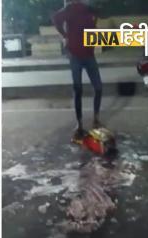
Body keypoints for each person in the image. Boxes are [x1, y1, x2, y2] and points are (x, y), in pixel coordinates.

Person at [53, 0, 103, 139]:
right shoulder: (72, 8)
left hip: (89, 55)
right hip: (75, 56)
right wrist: (65, 35)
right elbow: (56, 18)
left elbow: (94, 26)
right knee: (78, 89)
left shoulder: (90, 10)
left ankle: (96, 118)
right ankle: (79, 124)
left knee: (98, 87)